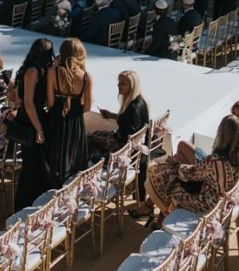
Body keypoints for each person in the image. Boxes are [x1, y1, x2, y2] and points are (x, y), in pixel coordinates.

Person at [146, 115, 239, 219]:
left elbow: (191, 174)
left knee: (163, 173)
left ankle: (154, 210)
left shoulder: (216, 161)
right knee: (172, 167)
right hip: (223, 200)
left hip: (208, 205)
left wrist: (175, 163)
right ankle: (156, 214)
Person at [10, 38, 53, 211]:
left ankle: (34, 206)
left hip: (35, 118)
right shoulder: (33, 71)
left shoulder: (39, 69)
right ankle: (22, 208)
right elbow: (28, 103)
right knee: (31, 167)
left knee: (38, 167)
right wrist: (38, 129)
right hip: (31, 121)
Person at [46, 38, 92, 186]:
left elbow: (50, 103)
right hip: (75, 122)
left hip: (55, 120)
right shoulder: (86, 77)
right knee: (74, 160)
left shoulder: (52, 72)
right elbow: (87, 107)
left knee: (55, 160)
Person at [88, 70, 149, 157]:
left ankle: (95, 160)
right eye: (119, 82)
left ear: (132, 87)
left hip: (122, 147)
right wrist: (110, 115)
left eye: (123, 84)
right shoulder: (140, 101)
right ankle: (97, 158)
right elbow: (128, 119)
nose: (118, 85)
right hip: (125, 141)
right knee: (96, 134)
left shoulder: (133, 108)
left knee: (89, 138)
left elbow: (128, 131)